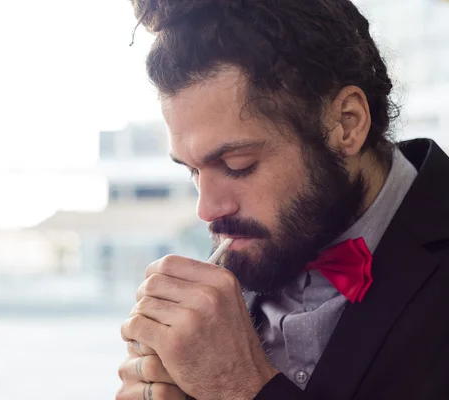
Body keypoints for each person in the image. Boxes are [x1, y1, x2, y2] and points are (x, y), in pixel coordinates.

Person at [117, 1, 449, 399]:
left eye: (237, 165)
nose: (206, 210)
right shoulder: (218, 295)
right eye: (193, 171)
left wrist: (240, 388)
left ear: (346, 123)